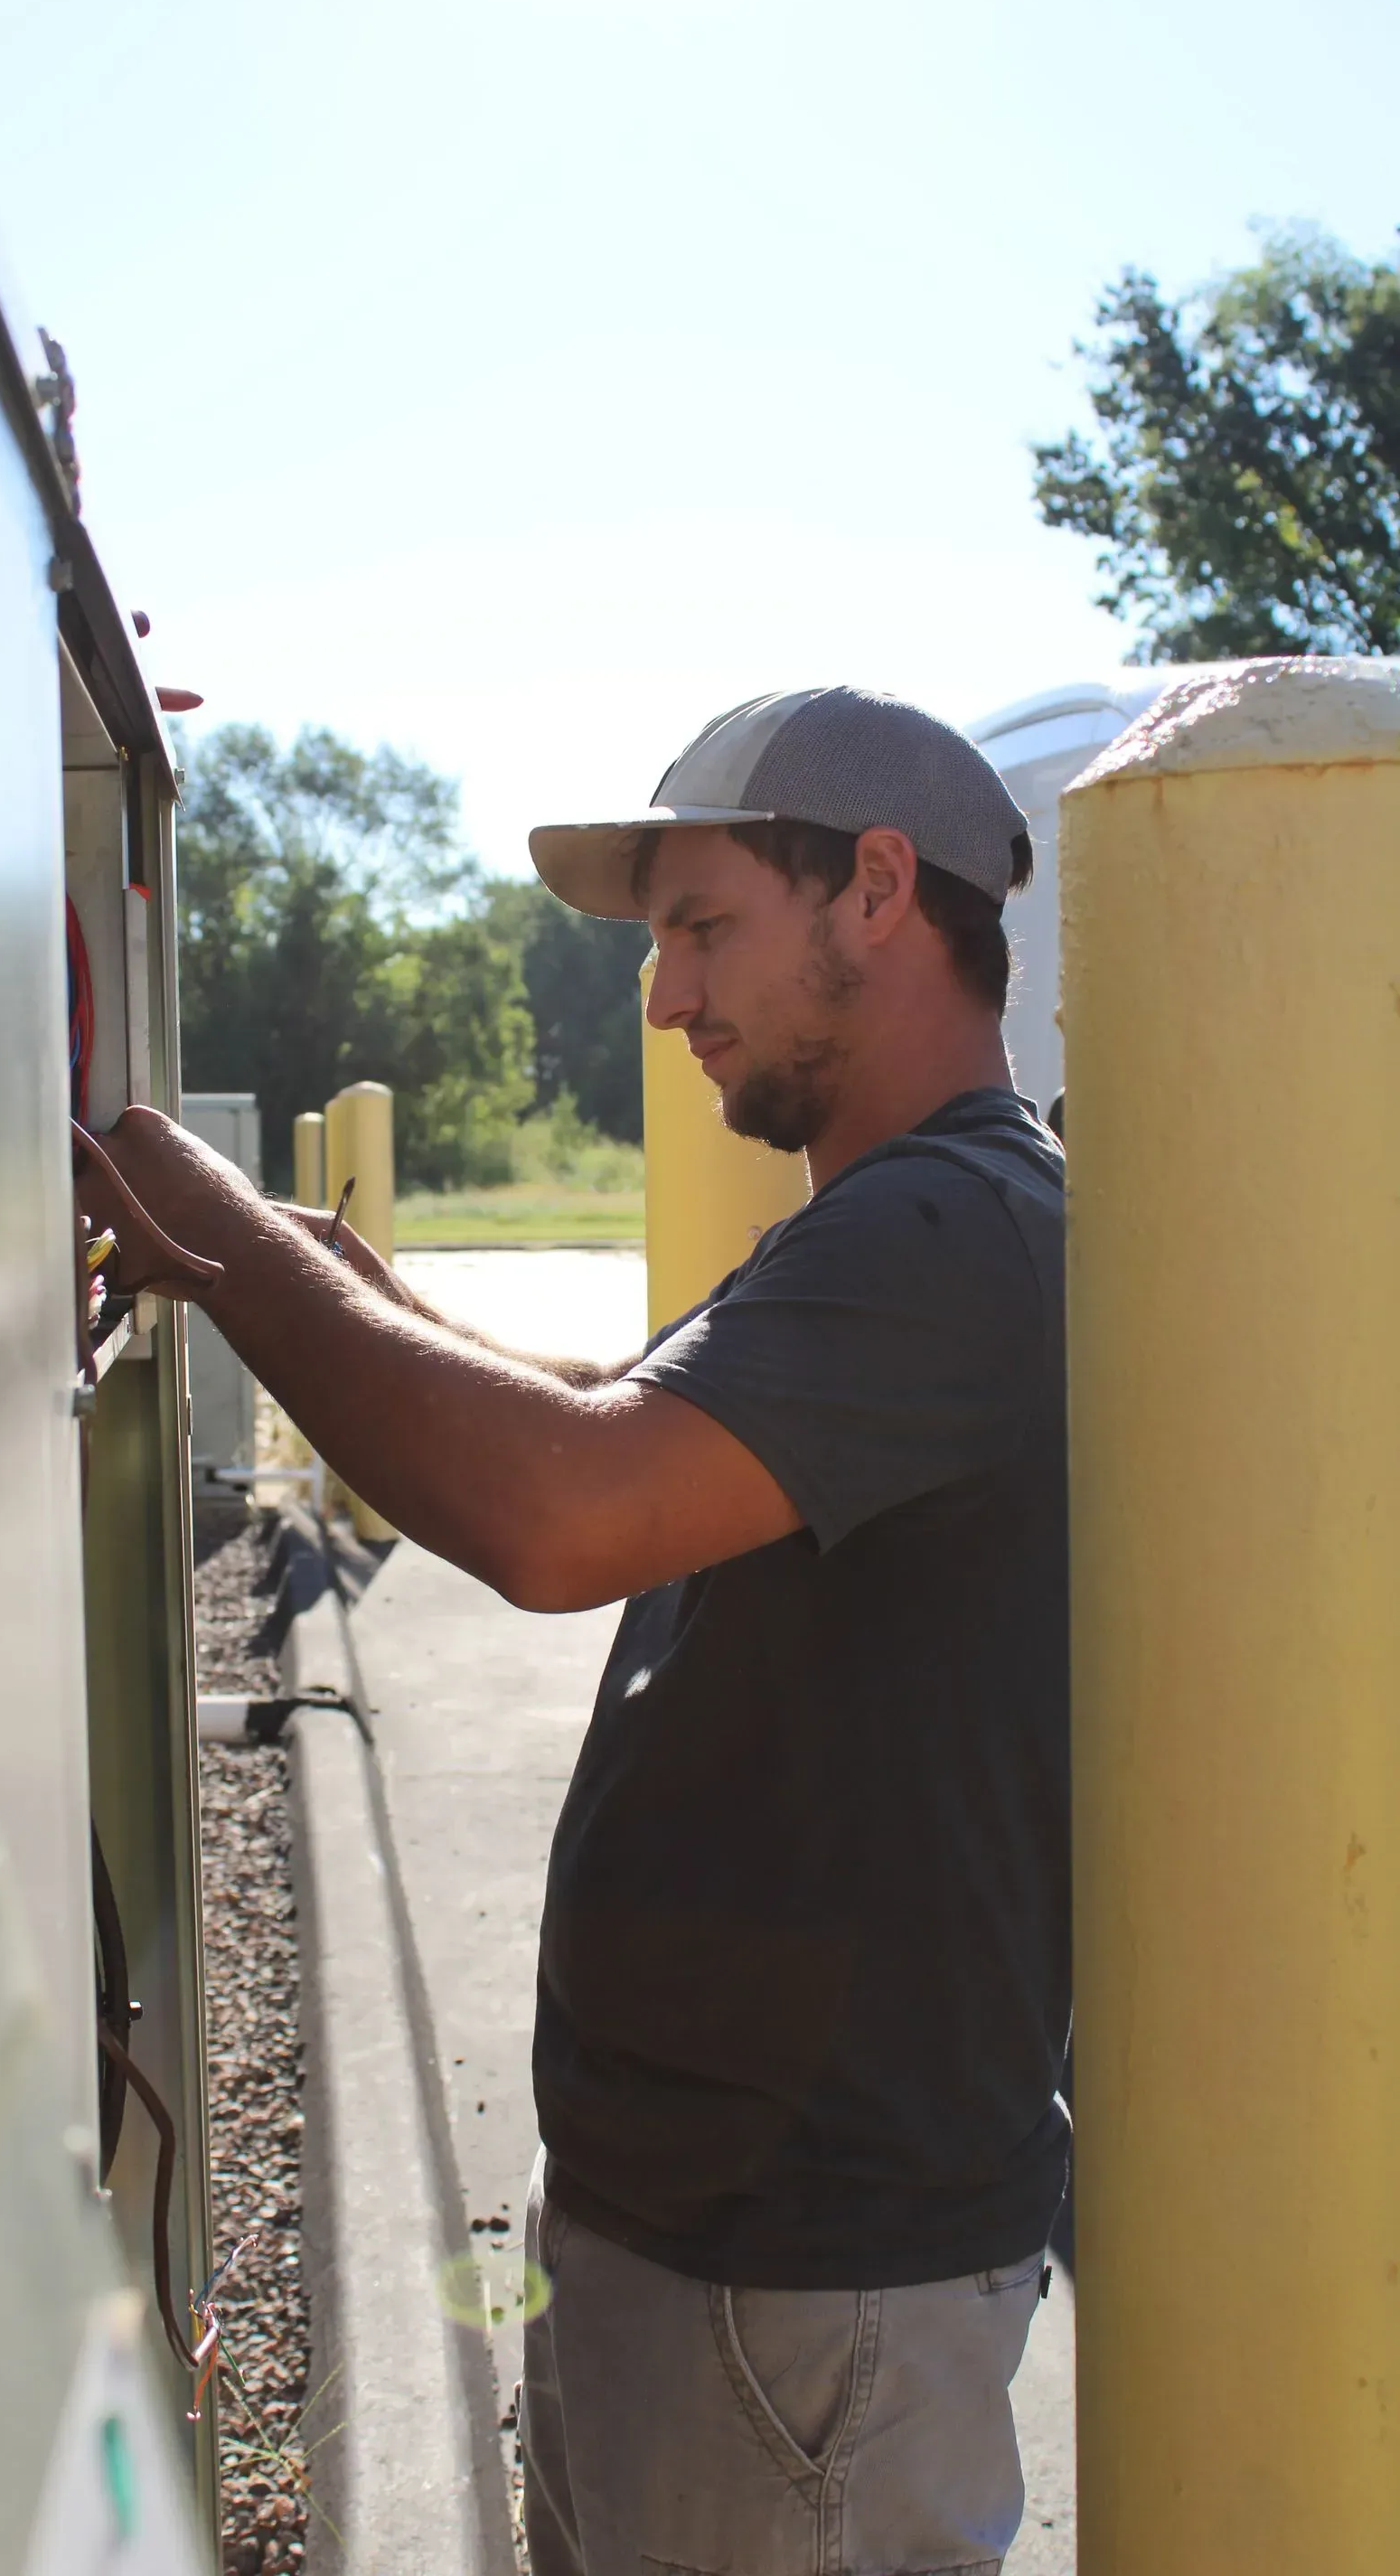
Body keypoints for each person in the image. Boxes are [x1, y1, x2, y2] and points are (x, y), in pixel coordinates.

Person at [88, 686, 1068, 2576]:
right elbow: (645, 1415)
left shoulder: (948, 1237)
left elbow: (568, 1507)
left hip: (809, 2277)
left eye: (705, 930)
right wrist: (364, 1295)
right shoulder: (890, 1231)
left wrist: (226, 1240)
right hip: (715, 2235)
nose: (665, 997)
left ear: (879, 890)